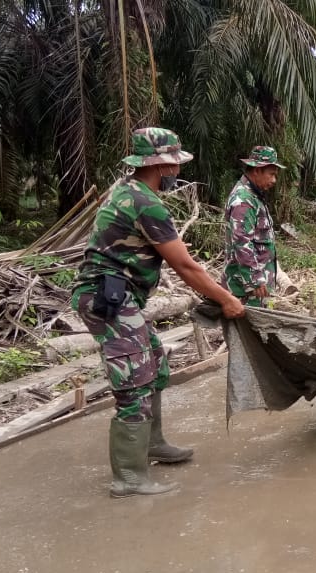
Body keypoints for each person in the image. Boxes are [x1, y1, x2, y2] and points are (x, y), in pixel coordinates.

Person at [70, 128, 245, 498]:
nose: (176, 171)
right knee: (134, 381)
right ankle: (129, 478)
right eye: (174, 164)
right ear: (162, 165)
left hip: (120, 297)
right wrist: (226, 299)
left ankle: (153, 443)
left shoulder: (129, 190)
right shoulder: (144, 202)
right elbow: (185, 265)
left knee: (154, 364)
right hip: (108, 300)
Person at [221, 146, 284, 307]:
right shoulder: (243, 200)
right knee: (247, 331)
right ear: (257, 170)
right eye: (271, 174)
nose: (273, 181)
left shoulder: (254, 197)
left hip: (255, 289)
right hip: (245, 291)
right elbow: (242, 242)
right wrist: (254, 280)